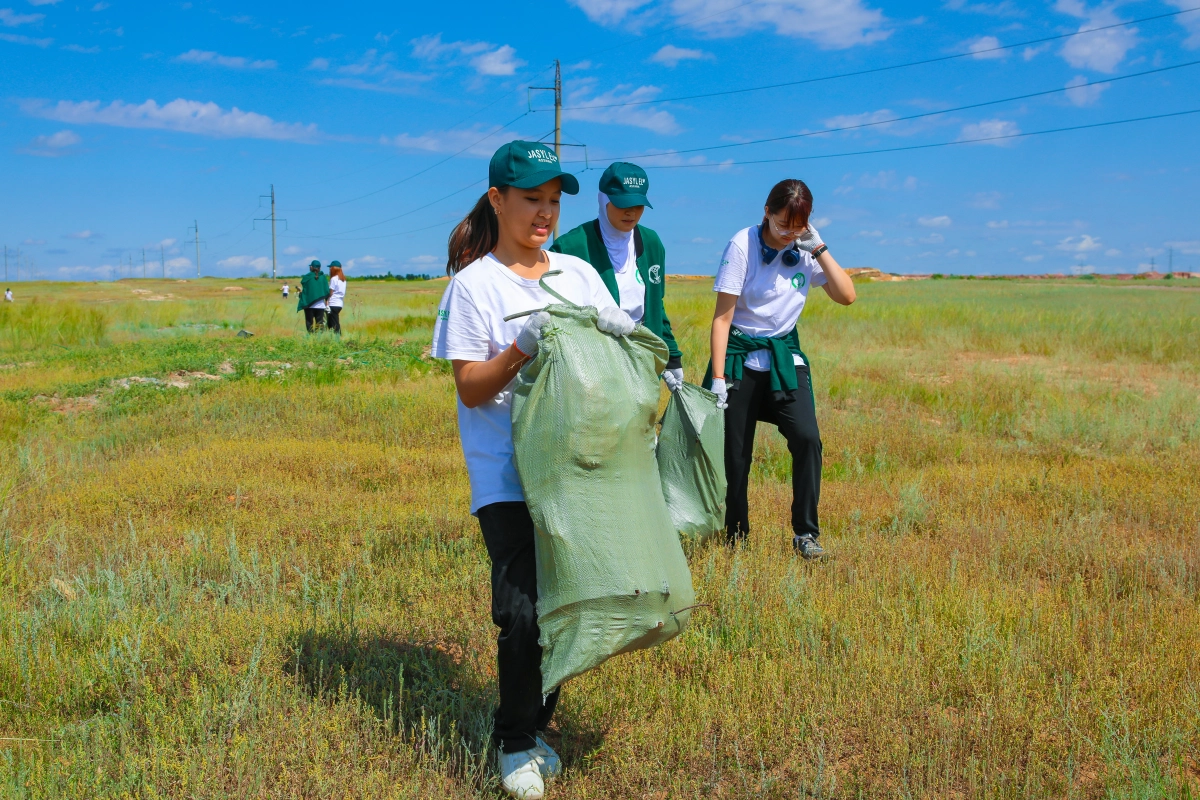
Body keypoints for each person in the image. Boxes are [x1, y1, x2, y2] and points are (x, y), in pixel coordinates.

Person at [431, 140, 635, 800]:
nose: (544, 213)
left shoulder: (578, 273)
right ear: (497, 200)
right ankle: (514, 743)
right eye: (531, 200)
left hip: (579, 470)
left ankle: (536, 722)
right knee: (521, 612)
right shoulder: (474, 287)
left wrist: (618, 334)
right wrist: (522, 345)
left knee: (566, 607)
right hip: (508, 476)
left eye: (552, 202)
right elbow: (469, 388)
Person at [705, 179, 856, 559]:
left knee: (808, 439)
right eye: (782, 225)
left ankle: (806, 534)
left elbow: (847, 296)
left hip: (784, 358)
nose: (789, 234)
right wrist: (719, 381)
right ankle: (735, 537)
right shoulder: (742, 245)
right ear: (766, 213)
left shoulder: (805, 248)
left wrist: (818, 247)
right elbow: (722, 319)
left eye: (798, 226)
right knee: (735, 455)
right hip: (740, 356)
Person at [549, 162, 683, 389]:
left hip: (642, 363)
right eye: (623, 204)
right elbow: (556, 315)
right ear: (603, 199)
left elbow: (656, 306)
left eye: (639, 205)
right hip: (591, 369)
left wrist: (672, 357)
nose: (631, 212)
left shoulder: (651, 244)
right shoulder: (570, 248)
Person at [296, 260, 330, 332]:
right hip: (320, 305)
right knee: (320, 323)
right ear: (319, 268)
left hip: (309, 305)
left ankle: (310, 338)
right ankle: (319, 338)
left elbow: (305, 289)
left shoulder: (307, 277)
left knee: (309, 323)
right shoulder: (323, 277)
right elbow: (326, 290)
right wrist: (327, 303)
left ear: (311, 267)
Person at [326, 262, 346, 334]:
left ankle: (337, 338)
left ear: (334, 269)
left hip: (333, 303)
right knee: (334, 322)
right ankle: (335, 338)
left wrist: (327, 301)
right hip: (339, 303)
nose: (329, 269)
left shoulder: (333, 279)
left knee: (333, 324)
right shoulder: (343, 279)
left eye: (330, 268)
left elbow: (331, 292)